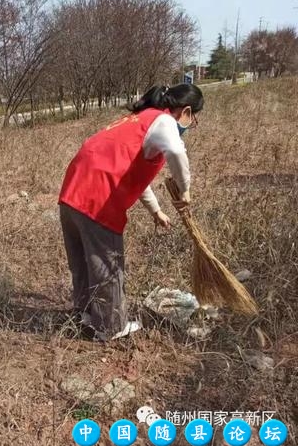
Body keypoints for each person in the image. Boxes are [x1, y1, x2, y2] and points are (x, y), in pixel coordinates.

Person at [58, 84, 203, 341]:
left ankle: (84, 313)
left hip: (72, 194)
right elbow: (177, 151)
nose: (190, 126)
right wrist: (185, 190)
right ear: (187, 111)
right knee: (107, 265)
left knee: (81, 261)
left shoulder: (138, 120)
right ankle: (111, 327)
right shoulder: (165, 121)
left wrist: (156, 210)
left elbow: (133, 175)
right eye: (193, 119)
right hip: (98, 198)